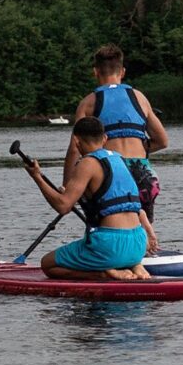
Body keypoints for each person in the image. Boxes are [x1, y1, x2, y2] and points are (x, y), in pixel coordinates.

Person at [61, 43, 167, 253]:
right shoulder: (140, 98)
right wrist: (139, 151)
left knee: (101, 213)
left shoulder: (89, 103)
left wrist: (67, 186)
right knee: (139, 228)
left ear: (95, 72)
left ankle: (102, 253)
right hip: (145, 173)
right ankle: (145, 252)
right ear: (123, 72)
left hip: (112, 174)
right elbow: (162, 141)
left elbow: (75, 148)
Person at [26, 116, 151, 280]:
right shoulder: (118, 159)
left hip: (110, 246)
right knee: (116, 251)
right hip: (138, 243)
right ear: (105, 138)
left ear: (76, 141)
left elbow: (63, 206)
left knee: (48, 264)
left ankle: (103, 272)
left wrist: (37, 177)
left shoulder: (87, 163)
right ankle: (134, 265)